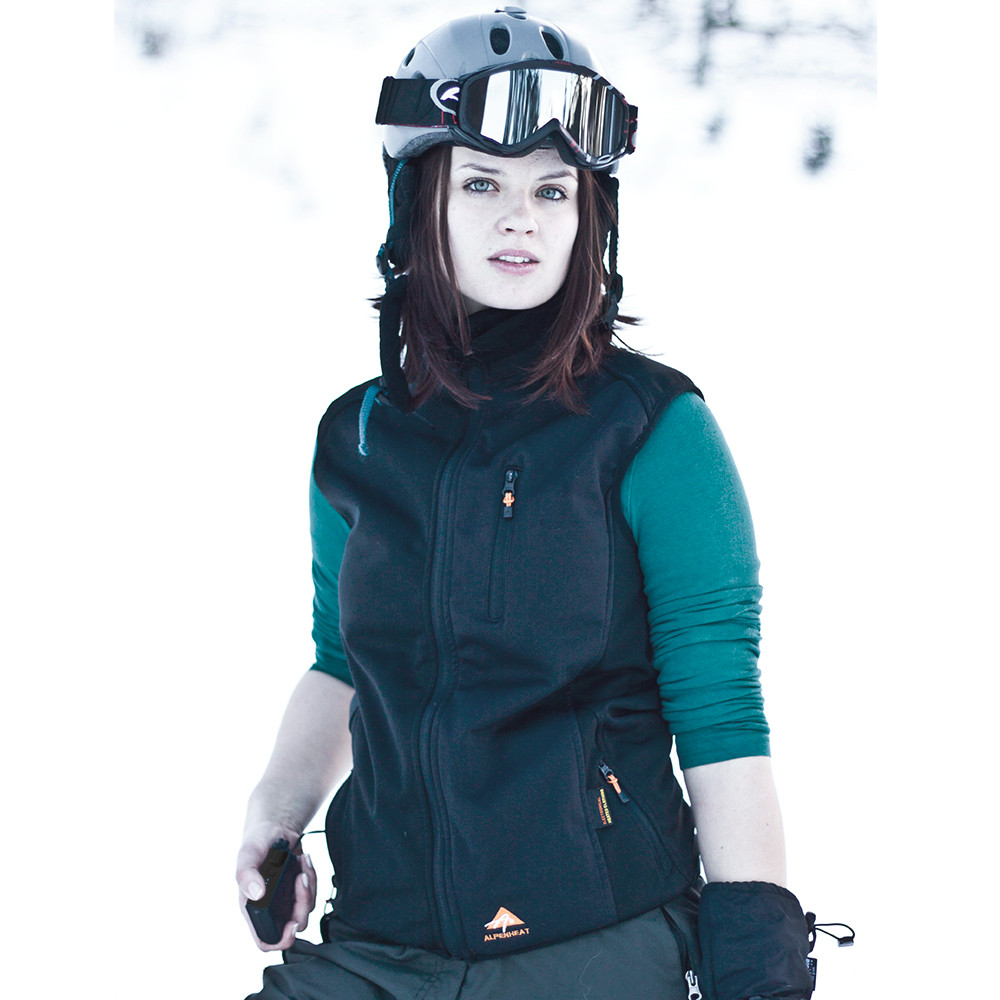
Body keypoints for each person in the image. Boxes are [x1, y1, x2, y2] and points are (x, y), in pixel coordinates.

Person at [237, 8, 816, 999]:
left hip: (598, 942)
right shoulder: (357, 438)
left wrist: (756, 929)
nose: (523, 217)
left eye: (553, 189)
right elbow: (340, 663)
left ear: (591, 213)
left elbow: (717, 695)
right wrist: (276, 810)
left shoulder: (652, 428)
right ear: (416, 201)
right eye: (482, 183)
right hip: (377, 944)